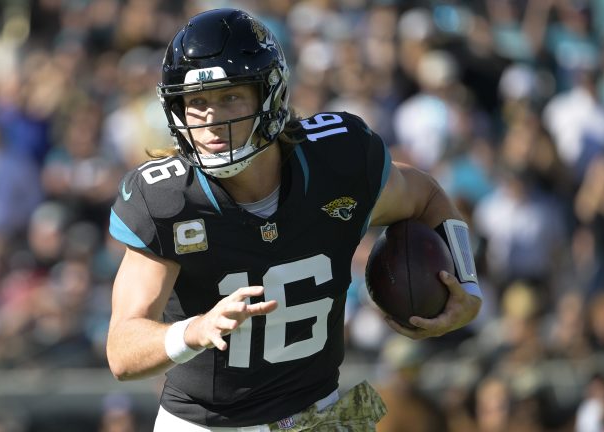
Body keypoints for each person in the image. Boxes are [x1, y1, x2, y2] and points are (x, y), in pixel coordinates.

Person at [106, 8, 482, 431]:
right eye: (196, 102)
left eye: (229, 97)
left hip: (320, 415)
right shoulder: (168, 199)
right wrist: (193, 330)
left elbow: (426, 195)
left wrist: (466, 281)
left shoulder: (337, 162)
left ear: (269, 95)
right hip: (210, 425)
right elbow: (122, 351)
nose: (211, 120)